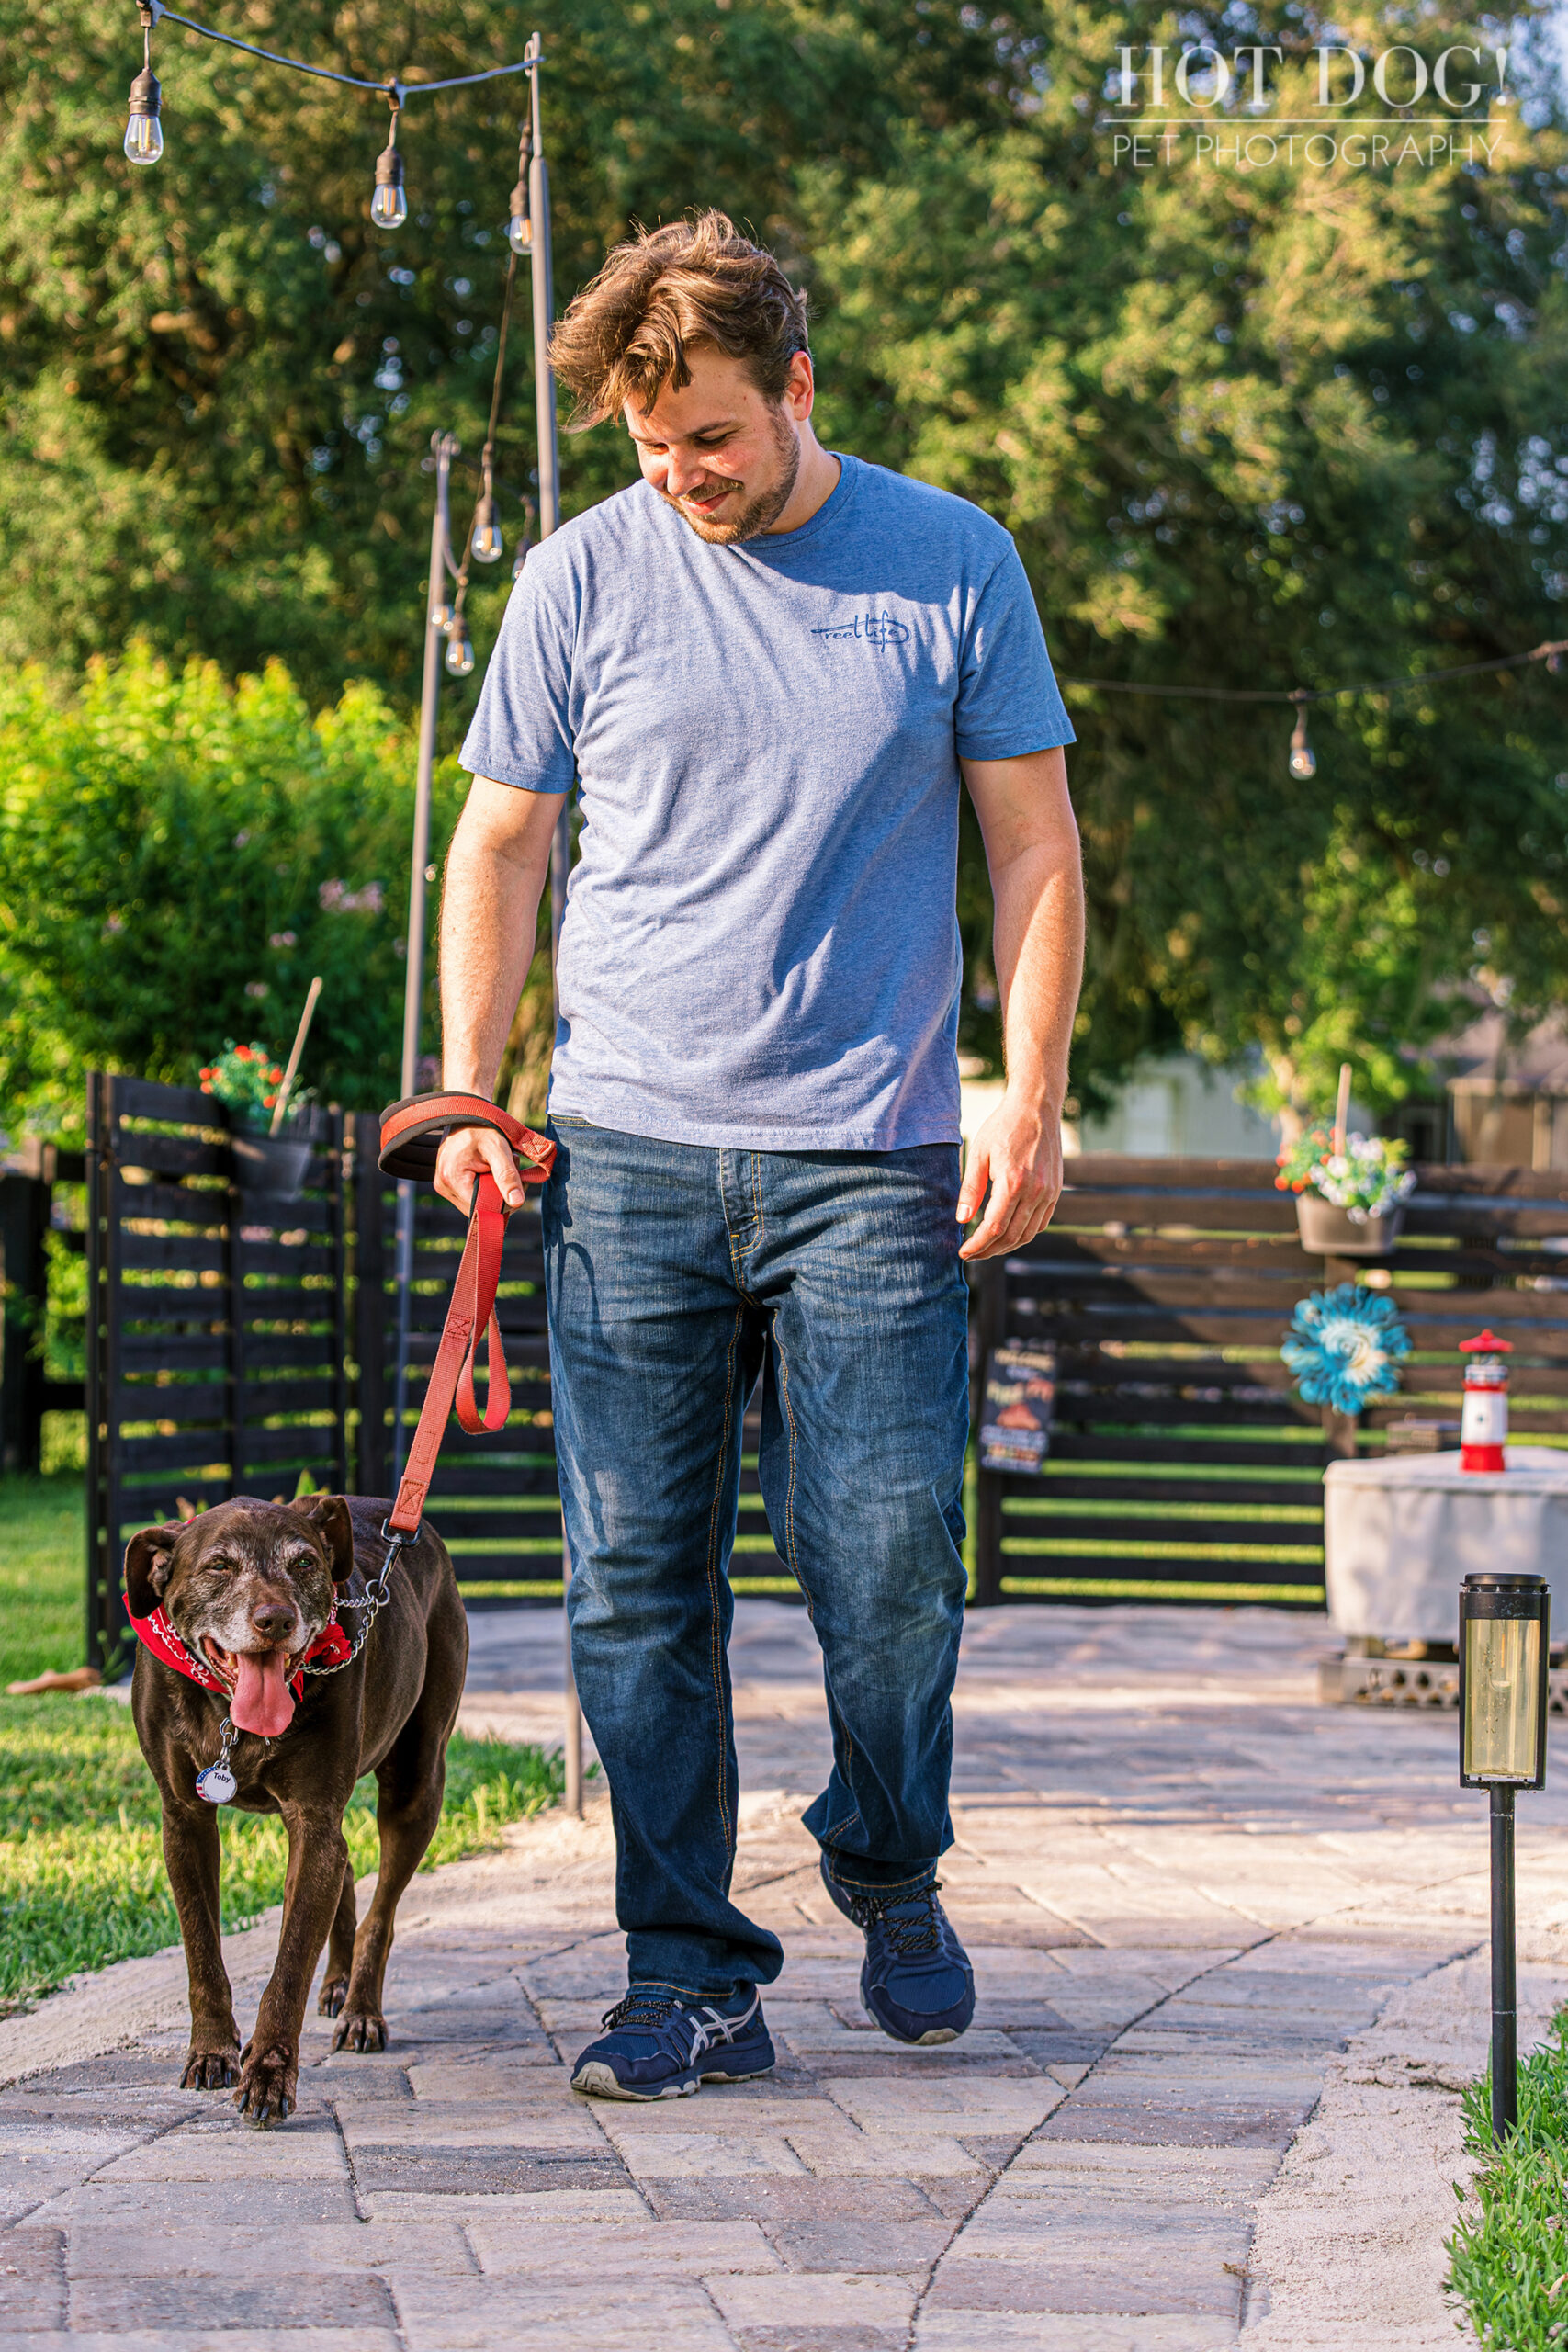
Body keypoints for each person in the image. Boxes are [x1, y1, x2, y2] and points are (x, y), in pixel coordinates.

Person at [434, 210, 1083, 2101]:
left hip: (870, 1156)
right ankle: (686, 1961)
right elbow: (500, 846)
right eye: (649, 449)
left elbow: (1033, 854)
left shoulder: (949, 560)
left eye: (707, 436)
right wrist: (471, 1089)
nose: (681, 477)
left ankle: (884, 1859)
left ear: (793, 386)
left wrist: (1023, 1092)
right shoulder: (579, 577)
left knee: (886, 1561)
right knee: (636, 1577)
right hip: (625, 1153)